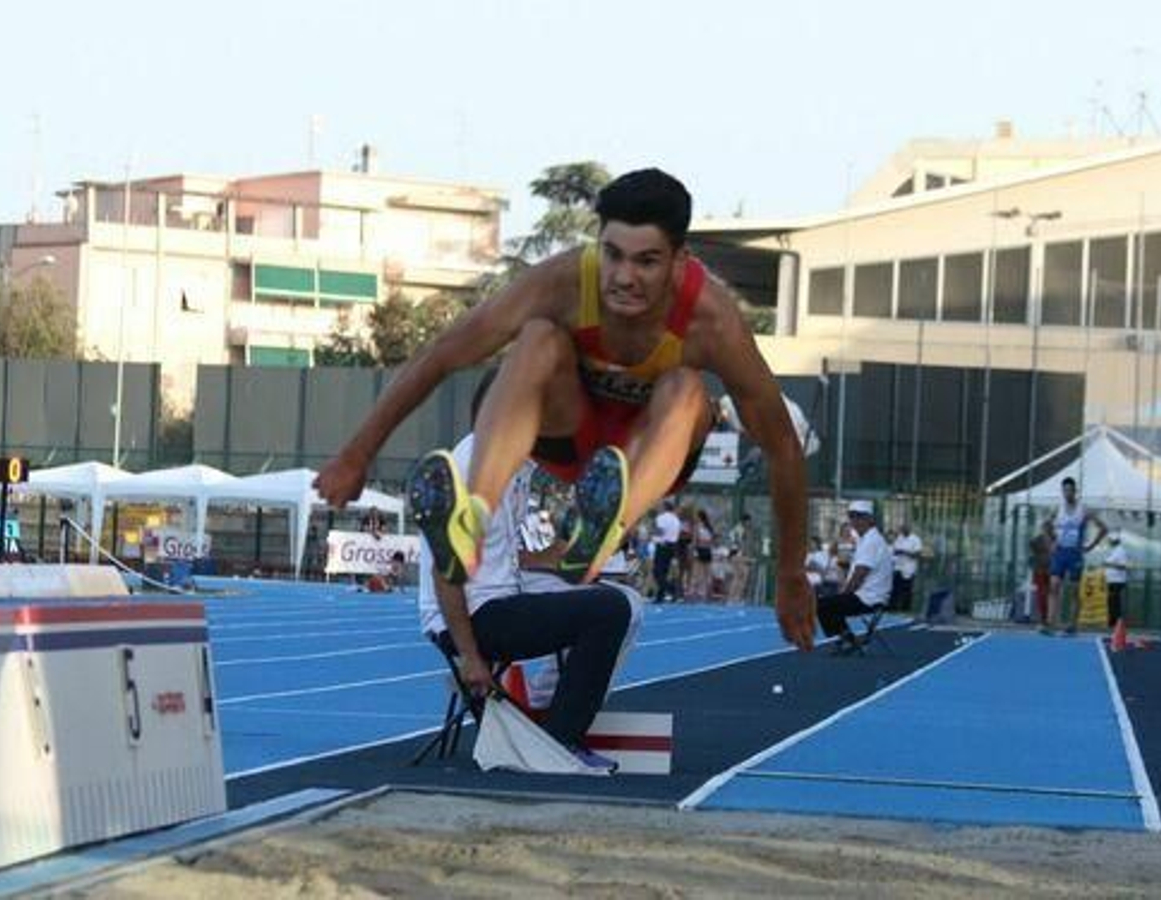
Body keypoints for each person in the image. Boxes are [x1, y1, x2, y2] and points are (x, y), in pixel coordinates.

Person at [314, 169, 814, 650]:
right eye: (613, 255)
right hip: (571, 432)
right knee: (538, 337)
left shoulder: (713, 322)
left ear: (679, 260)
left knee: (686, 388)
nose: (623, 278)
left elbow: (783, 448)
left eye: (646, 262)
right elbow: (447, 351)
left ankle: (600, 534)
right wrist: (358, 453)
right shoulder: (564, 282)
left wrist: (791, 572)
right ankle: (474, 514)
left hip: (648, 449)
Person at [414, 433, 636, 774]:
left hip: (500, 592)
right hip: (470, 615)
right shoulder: (479, 470)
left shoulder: (519, 460)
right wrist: (471, 657)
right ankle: (560, 741)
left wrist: (547, 558)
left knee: (628, 601)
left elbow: (494, 553)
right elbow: (444, 574)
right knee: (609, 609)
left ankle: (546, 713)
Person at [815, 500, 893, 655]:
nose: (854, 521)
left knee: (822, 605)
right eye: (852, 517)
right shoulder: (867, 539)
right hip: (868, 595)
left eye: (859, 517)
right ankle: (848, 639)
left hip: (869, 598)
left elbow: (860, 573)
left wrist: (844, 594)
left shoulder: (871, 541)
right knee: (825, 603)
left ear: (870, 519)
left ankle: (849, 640)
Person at [1044, 477, 1107, 637]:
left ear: (1075, 491)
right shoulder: (1057, 508)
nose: (1067, 493)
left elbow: (1103, 528)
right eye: (1065, 490)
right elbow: (1045, 525)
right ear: (1062, 491)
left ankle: (1072, 624)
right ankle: (1050, 624)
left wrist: (1090, 546)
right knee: (1054, 586)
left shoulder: (1083, 510)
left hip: (1075, 554)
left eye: (1070, 490)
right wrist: (1052, 542)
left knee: (1073, 591)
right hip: (1060, 552)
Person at [650, 500, 681, 602]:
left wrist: (653, 534)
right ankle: (660, 595)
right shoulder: (676, 519)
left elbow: (660, 531)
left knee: (657, 571)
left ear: (664, 507)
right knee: (664, 571)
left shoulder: (661, 518)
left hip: (663, 545)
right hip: (672, 546)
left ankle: (671, 589)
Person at [890, 521, 923, 614]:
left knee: (907, 590)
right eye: (902, 529)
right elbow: (894, 550)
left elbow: (917, 554)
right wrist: (898, 552)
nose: (902, 530)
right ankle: (893, 608)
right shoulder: (899, 538)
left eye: (905, 528)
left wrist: (904, 552)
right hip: (898, 567)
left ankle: (906, 609)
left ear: (909, 529)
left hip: (909, 568)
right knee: (895, 589)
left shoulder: (916, 539)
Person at [1028, 518, 1055, 624]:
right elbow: (1032, 547)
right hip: (1042, 569)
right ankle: (1045, 617)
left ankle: (1048, 617)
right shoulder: (1038, 539)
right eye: (1046, 527)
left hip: (1050, 569)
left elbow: (1032, 547)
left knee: (1048, 593)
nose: (1047, 529)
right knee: (1043, 593)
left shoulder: (1054, 538)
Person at [1103, 532, 1131, 629]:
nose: (1108, 541)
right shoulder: (1114, 550)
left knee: (1115, 602)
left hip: (1117, 581)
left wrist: (1108, 565)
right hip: (1112, 580)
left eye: (1109, 540)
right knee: (1111, 602)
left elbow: (1124, 566)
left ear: (1113, 541)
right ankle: (1112, 623)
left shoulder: (1120, 551)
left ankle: (1115, 624)